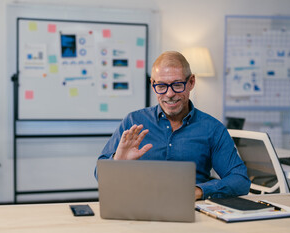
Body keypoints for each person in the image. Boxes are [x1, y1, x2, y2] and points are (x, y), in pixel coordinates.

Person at [97, 51, 251, 200]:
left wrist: (199, 191)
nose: (169, 94)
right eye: (162, 86)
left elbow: (240, 180)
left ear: (191, 82)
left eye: (177, 85)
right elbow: (100, 174)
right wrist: (118, 162)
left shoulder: (212, 129)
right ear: (153, 84)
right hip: (138, 208)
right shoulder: (133, 122)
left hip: (193, 211)